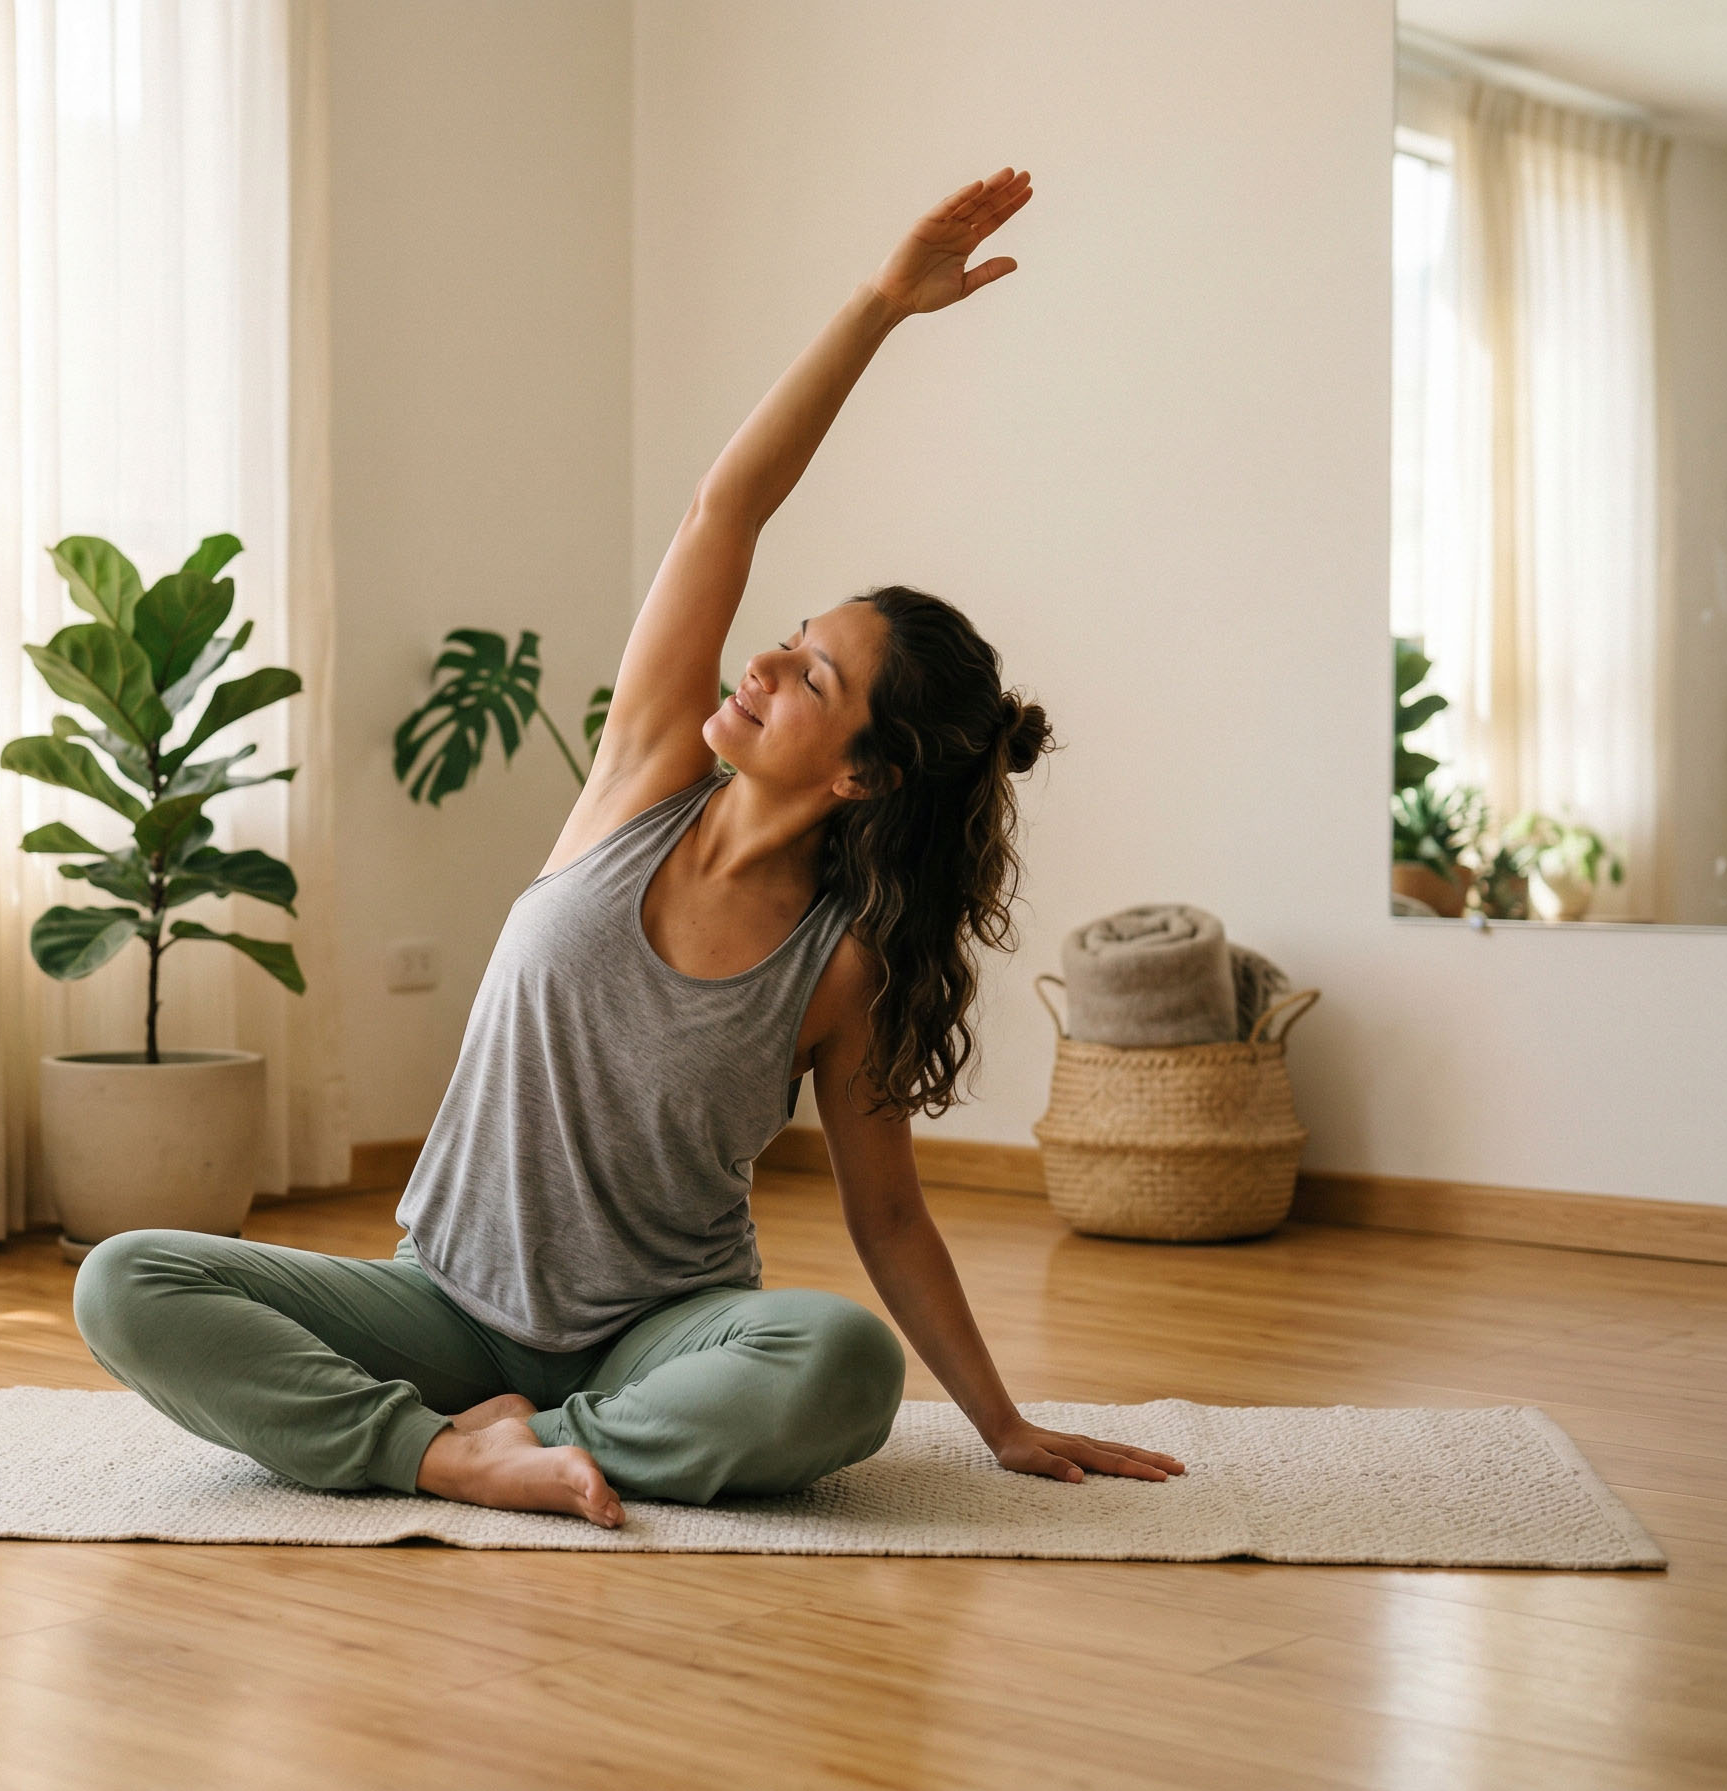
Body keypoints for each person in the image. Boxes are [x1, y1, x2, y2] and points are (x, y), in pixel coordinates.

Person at [75, 168, 1185, 1526]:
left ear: (860, 773)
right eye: (792, 635)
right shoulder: (645, 774)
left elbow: (887, 1219)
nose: (768, 660)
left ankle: (516, 1437)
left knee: (838, 1368)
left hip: (657, 1340)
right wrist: (878, 308)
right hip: (440, 1303)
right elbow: (725, 510)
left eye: (813, 677)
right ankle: (448, 1451)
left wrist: (1000, 1423)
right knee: (125, 1280)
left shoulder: (840, 968)